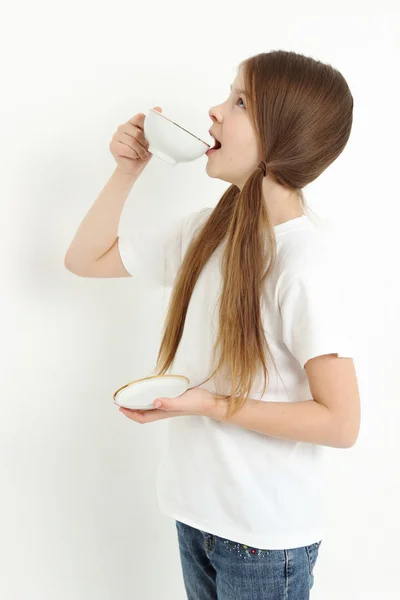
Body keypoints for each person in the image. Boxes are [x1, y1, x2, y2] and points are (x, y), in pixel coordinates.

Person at [65, 49, 360, 599]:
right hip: (197, 516)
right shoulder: (207, 232)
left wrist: (208, 403)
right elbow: (85, 259)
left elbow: (340, 423)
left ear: (282, 133)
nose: (215, 111)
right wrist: (127, 171)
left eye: (240, 101)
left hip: (264, 541)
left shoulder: (304, 264)